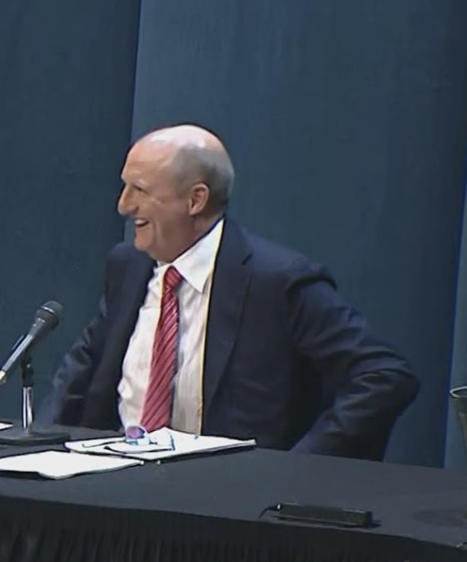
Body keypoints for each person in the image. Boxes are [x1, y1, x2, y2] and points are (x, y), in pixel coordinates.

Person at [34, 124, 418, 460]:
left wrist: (300, 468)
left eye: (139, 190)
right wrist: (36, 449)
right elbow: (84, 368)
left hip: (224, 505)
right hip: (114, 487)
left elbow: (384, 376)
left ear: (195, 200)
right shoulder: (128, 267)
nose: (123, 205)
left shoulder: (277, 281)